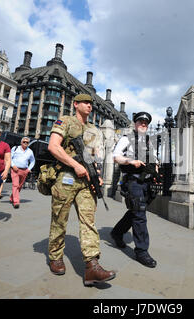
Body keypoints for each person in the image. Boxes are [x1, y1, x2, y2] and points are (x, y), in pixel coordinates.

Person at [47, 93, 116, 286]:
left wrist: (98, 175)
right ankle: (55, 256)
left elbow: (94, 157)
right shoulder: (66, 121)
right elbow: (53, 146)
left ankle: (92, 266)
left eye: (91, 103)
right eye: (85, 102)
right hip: (66, 177)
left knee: (89, 221)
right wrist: (74, 164)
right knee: (59, 219)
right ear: (75, 104)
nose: (89, 106)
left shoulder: (93, 129)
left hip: (87, 181)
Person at [110, 111, 159, 268]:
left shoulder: (149, 142)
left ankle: (117, 232)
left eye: (146, 122)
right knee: (140, 214)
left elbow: (155, 159)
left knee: (135, 211)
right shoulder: (126, 139)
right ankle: (141, 251)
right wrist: (131, 161)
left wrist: (156, 168)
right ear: (135, 123)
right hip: (133, 181)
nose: (143, 124)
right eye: (140, 121)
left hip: (146, 182)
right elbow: (116, 156)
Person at [10, 136, 35, 208]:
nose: (25, 143)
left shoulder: (30, 151)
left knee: (19, 186)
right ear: (21, 142)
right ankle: (16, 201)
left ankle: (12, 197)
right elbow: (10, 158)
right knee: (15, 185)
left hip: (24, 171)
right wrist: (13, 165)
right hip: (15, 169)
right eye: (24, 142)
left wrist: (28, 169)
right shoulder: (15, 148)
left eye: (27, 142)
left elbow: (33, 161)